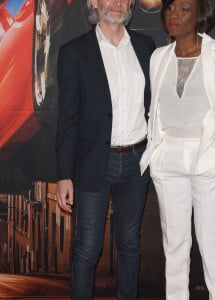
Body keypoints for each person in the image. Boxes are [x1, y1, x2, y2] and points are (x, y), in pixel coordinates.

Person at [139, 0, 215, 299]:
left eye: (184, 9)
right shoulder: (158, 57)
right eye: (170, 8)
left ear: (200, 15)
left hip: (208, 160)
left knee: (212, 250)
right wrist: (156, 153)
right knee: (175, 249)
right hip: (167, 162)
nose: (174, 15)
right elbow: (156, 111)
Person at [55, 0, 155, 299]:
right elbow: (67, 118)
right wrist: (64, 176)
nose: (116, 3)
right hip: (94, 162)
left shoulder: (146, 46)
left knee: (129, 244)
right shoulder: (73, 52)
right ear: (94, 3)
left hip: (137, 162)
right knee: (87, 249)